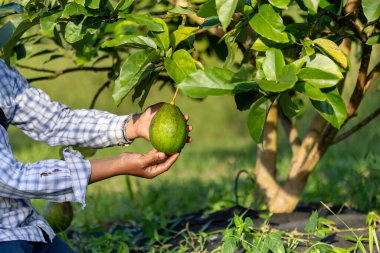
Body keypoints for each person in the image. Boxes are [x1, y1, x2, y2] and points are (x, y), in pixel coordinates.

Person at [0, 59, 192, 252]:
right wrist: (120, 164)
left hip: (28, 230)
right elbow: (12, 179)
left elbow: (55, 121)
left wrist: (133, 125)